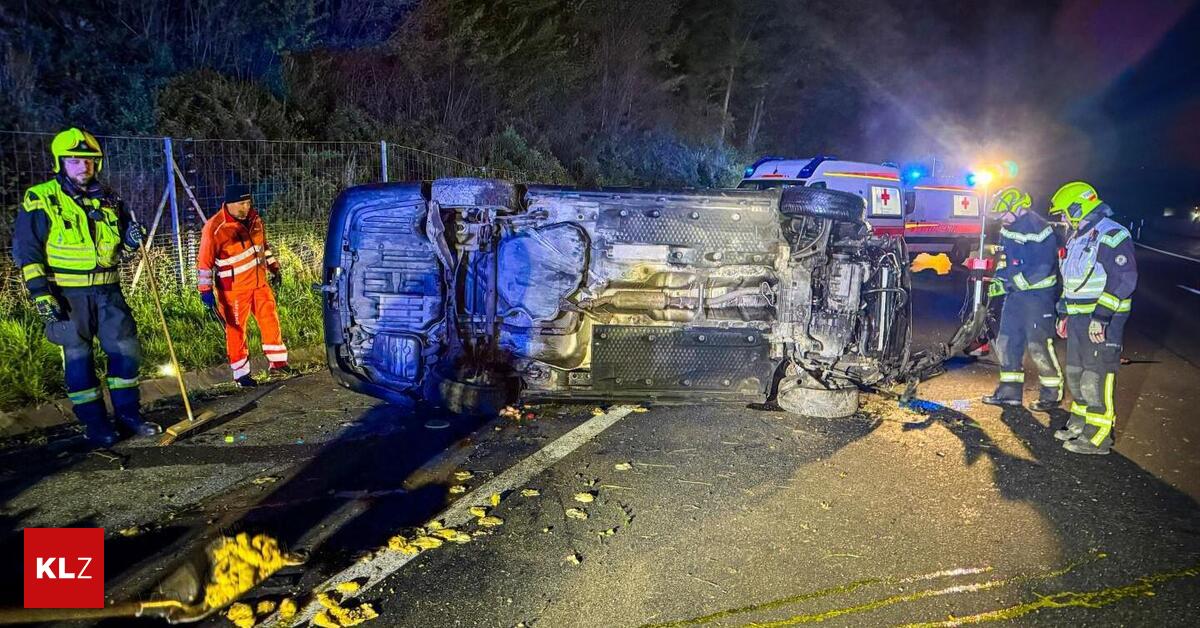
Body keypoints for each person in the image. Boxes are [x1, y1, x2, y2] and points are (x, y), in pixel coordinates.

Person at [11, 128, 159, 446]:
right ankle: (95, 424)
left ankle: (129, 415)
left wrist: (131, 240)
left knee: (126, 353)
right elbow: (27, 250)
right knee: (79, 359)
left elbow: (121, 250)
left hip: (109, 293)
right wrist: (40, 293)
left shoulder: (110, 199)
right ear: (60, 163)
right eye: (75, 160)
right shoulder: (41, 198)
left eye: (89, 160)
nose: (83, 166)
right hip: (67, 295)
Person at [1050, 181, 1137, 455]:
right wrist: (1064, 312)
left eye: (1064, 213)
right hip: (1078, 318)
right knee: (1076, 373)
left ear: (1077, 208)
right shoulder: (1076, 237)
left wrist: (1101, 317)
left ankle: (1099, 436)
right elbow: (1071, 281)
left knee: (1096, 376)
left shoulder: (1112, 234)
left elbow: (1124, 279)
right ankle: (1080, 423)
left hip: (1101, 320)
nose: (1063, 219)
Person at [196, 184, 289, 387]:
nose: (246, 207)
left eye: (248, 202)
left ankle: (279, 364)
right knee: (236, 330)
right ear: (229, 204)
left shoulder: (255, 219)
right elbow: (204, 263)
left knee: (270, 321)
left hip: (260, 284)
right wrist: (205, 291)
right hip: (234, 290)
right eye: (241, 203)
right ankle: (241, 374)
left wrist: (274, 268)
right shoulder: (214, 228)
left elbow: (263, 247)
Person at [981, 187, 1064, 412]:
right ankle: (1009, 393)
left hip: (1038, 298)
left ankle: (1051, 394)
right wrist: (1000, 279)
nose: (1003, 219)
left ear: (1018, 208)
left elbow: (1043, 267)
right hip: (1015, 296)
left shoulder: (1039, 228)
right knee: (1007, 342)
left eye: (1004, 214)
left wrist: (1014, 282)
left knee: (1038, 346)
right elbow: (1006, 259)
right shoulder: (1008, 227)